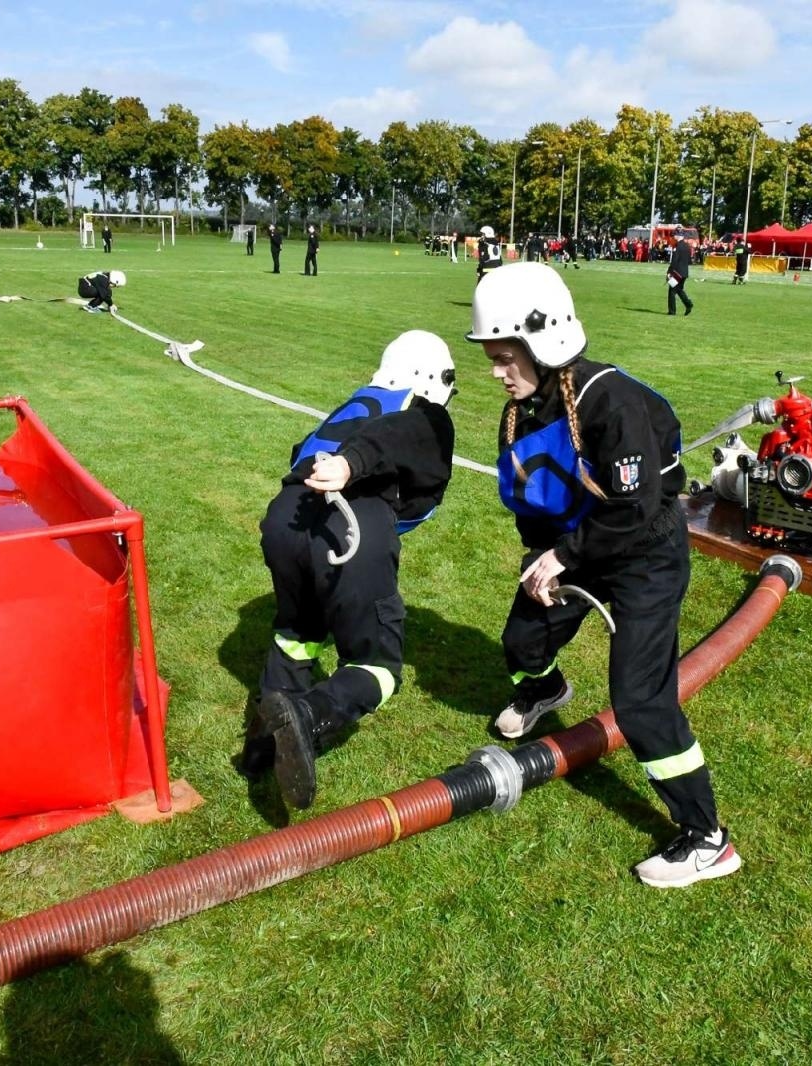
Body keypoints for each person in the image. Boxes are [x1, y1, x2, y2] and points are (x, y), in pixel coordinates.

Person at [465, 262, 738, 889]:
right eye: (493, 357)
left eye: (505, 357)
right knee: (521, 642)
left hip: (644, 555)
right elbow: (537, 500)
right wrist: (543, 561)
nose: (496, 371)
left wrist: (564, 557)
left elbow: (636, 509)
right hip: (575, 551)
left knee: (640, 700)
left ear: (544, 342)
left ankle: (707, 839)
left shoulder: (609, 401)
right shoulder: (522, 412)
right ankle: (543, 691)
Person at [251, 331, 458, 809]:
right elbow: (413, 470)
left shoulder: (357, 401)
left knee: (297, 632)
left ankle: (263, 744)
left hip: (286, 513)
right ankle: (308, 715)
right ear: (438, 378)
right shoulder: (424, 412)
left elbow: (301, 449)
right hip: (350, 525)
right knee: (378, 665)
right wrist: (359, 472)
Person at [666, 234, 693, 316]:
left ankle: (672, 311)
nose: (674, 238)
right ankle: (688, 304)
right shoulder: (687, 246)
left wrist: (669, 272)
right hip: (685, 272)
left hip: (677, 272)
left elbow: (674, 261)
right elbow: (689, 260)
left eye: (674, 236)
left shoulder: (678, 247)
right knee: (679, 289)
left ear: (678, 237)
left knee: (672, 291)